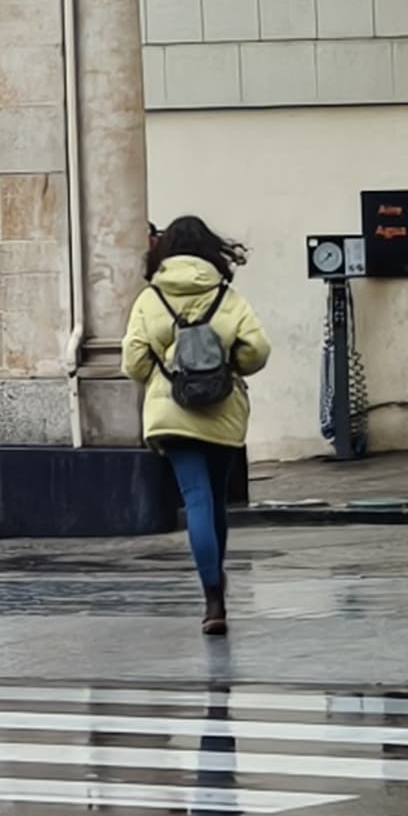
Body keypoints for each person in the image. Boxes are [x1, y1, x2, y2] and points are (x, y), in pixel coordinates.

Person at [120, 216, 271, 635]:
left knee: (196, 499)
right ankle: (217, 590)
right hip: (222, 411)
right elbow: (257, 349)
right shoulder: (228, 297)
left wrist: (161, 374)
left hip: (171, 414)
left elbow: (132, 361)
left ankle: (211, 598)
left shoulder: (151, 299)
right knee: (216, 500)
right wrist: (228, 367)